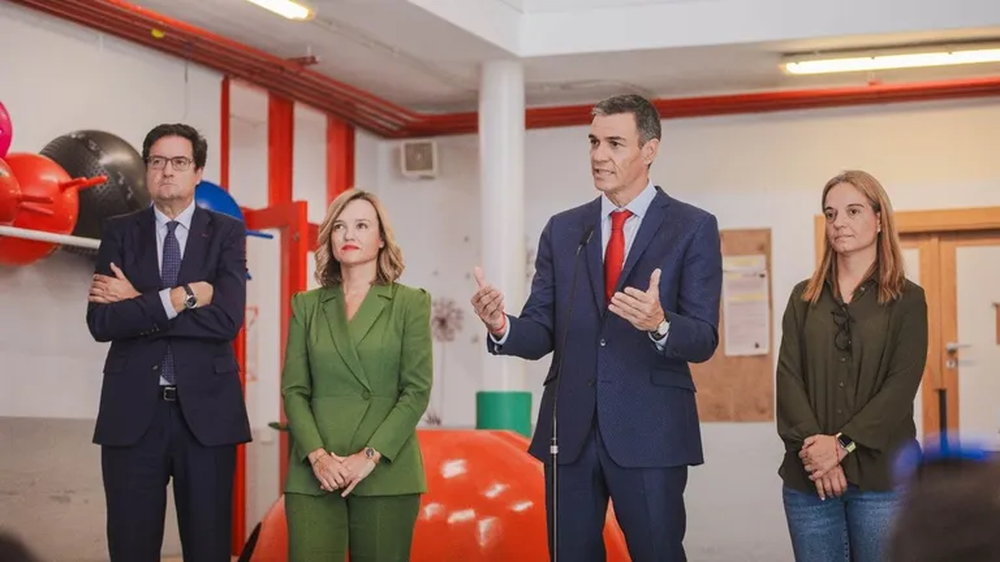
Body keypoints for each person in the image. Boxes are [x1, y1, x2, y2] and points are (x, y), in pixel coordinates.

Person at [470, 93, 723, 561]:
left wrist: (660, 322)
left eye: (613, 143)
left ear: (649, 150)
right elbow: (542, 329)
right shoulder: (564, 229)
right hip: (568, 433)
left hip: (651, 431)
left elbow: (704, 336)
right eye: (592, 142)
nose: (598, 155)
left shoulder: (692, 227)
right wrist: (502, 324)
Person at [86, 123, 250, 561]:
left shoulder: (227, 233)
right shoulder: (119, 231)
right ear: (145, 170)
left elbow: (226, 321)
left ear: (198, 172)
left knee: (209, 548)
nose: (166, 172)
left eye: (179, 162)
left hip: (208, 417)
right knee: (131, 548)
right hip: (132, 415)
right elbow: (102, 321)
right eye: (156, 162)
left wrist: (139, 302)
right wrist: (181, 297)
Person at [776, 170, 929, 562]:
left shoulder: (908, 300)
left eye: (853, 211)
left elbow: (899, 389)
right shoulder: (803, 298)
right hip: (809, 477)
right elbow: (789, 378)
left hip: (882, 482)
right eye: (830, 214)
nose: (839, 222)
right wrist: (818, 452)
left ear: (880, 220)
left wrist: (840, 446)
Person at [280, 188, 432, 562]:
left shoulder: (409, 303)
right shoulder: (307, 304)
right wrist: (318, 457)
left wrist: (369, 456)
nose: (349, 235)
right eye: (340, 227)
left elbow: (416, 390)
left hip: (385, 471)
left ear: (381, 240)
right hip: (315, 472)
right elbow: (294, 390)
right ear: (329, 238)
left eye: (362, 225)